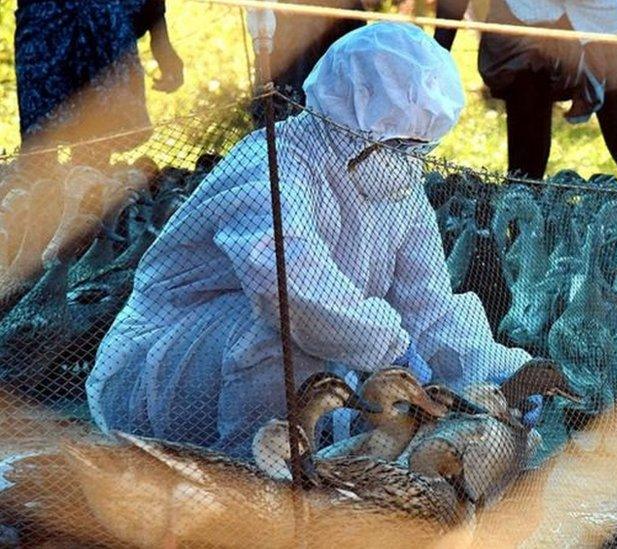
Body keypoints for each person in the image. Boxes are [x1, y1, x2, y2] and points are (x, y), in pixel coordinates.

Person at [87, 22, 533, 458]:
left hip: (293, 376)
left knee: (381, 405)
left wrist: (507, 377)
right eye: (400, 143)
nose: (411, 161)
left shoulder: (397, 180)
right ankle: (258, 473)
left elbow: (430, 308)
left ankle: (301, 462)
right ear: (349, 117)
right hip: (156, 379)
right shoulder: (270, 165)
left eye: (423, 147)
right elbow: (295, 294)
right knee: (288, 330)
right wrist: (401, 351)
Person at [434, 0, 617, 185]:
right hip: (525, 25)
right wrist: (437, 53)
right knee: (526, 171)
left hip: (603, 23)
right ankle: (522, 239)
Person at [14, 0, 183, 167]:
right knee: (40, 149)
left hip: (93, 26)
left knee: (92, 148)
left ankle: (89, 184)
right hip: (48, 26)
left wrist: (161, 42)